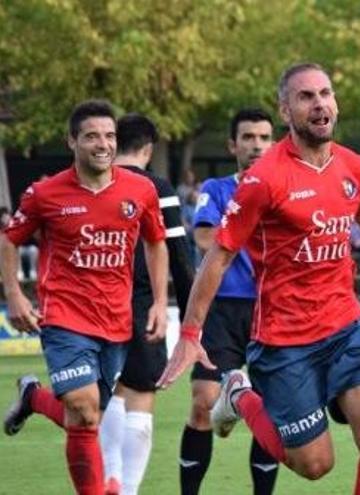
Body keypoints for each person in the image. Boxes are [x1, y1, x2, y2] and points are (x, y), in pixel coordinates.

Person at [157, 63, 360, 494]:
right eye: (306, 96)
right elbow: (219, 255)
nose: (320, 103)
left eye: (326, 93)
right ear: (286, 110)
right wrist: (191, 333)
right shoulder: (265, 179)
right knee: (315, 464)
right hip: (284, 340)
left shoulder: (354, 169)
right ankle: (239, 395)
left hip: (345, 327)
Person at [2, 100, 168, 495]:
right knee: (83, 405)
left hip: (116, 321)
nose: (103, 144)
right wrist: (14, 294)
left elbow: (155, 242)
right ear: (72, 141)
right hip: (64, 317)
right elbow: (10, 240)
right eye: (92, 136)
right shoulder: (45, 194)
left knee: (86, 416)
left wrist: (161, 302)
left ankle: (33, 397)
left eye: (109, 135)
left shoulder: (140, 189)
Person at [177, 108, 278, 495]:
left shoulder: (286, 188)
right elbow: (205, 240)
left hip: (271, 310)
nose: (257, 145)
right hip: (222, 309)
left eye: (264, 137)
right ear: (232, 145)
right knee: (203, 403)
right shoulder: (217, 189)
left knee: (270, 411)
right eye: (248, 137)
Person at [96, 113, 195, 495]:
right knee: (140, 391)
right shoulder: (155, 186)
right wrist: (192, 320)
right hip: (140, 302)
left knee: (105, 394)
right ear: (149, 149)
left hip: (90, 302)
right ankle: (125, 487)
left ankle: (111, 478)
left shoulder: (91, 181)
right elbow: (180, 256)